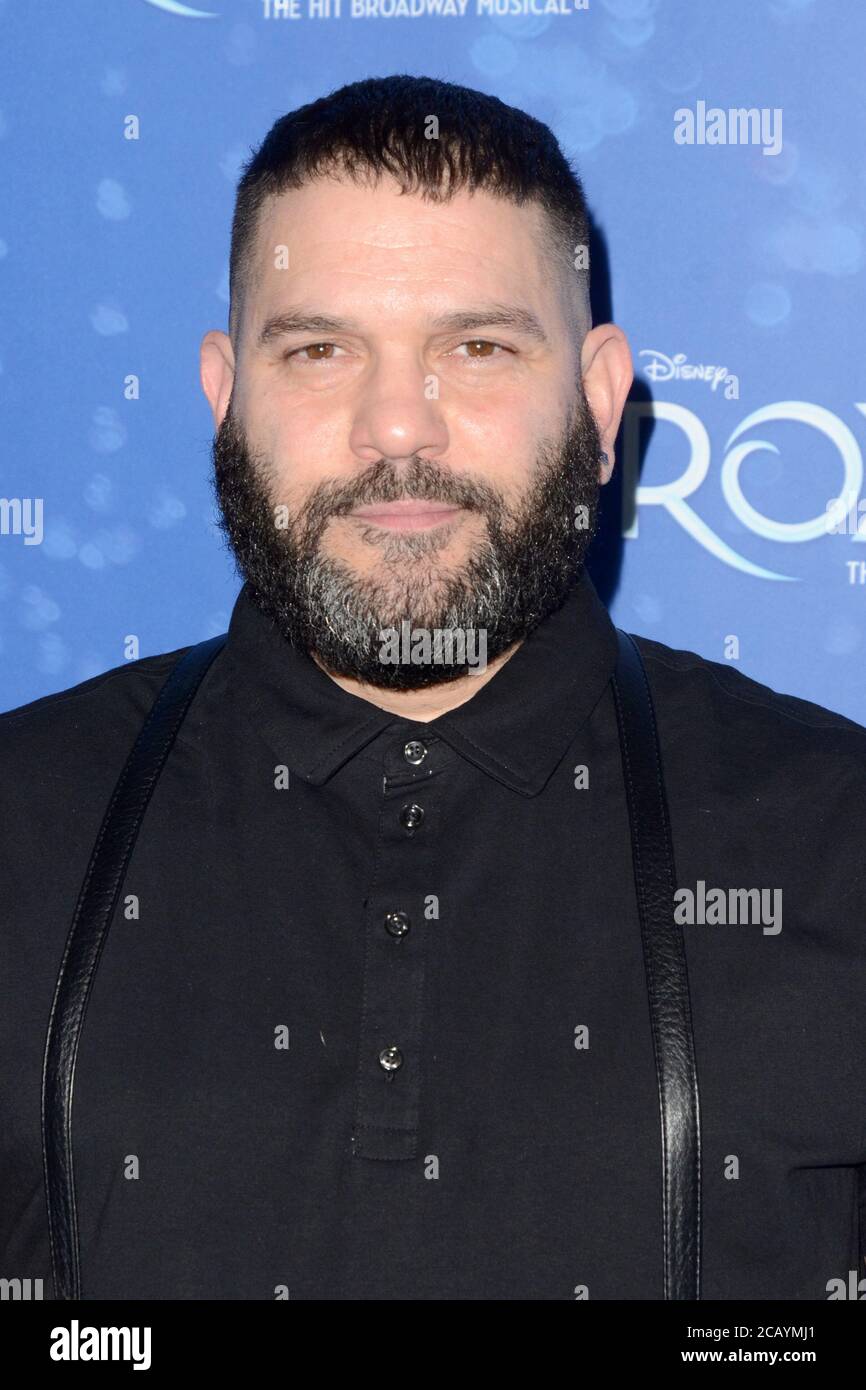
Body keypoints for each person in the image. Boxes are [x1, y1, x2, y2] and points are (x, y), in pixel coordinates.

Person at [2, 74, 865, 1303]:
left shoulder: (835, 837)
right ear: (224, 397)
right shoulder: (21, 820)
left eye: (475, 347)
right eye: (318, 349)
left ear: (600, 398)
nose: (396, 427)